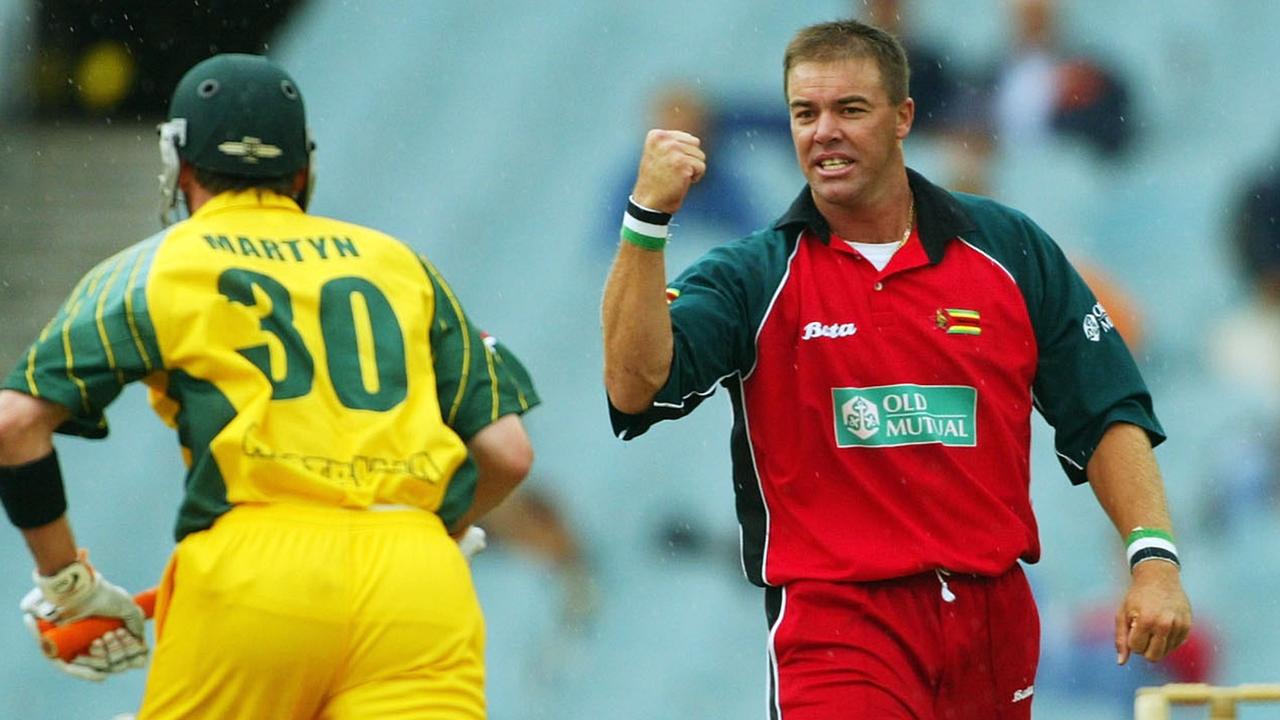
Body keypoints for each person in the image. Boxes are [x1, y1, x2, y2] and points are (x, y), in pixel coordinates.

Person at [600, 19, 1190, 720]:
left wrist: (1153, 562)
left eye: (849, 109)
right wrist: (646, 222)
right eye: (804, 113)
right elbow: (633, 385)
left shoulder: (1010, 249)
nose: (824, 132)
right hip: (839, 625)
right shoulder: (752, 275)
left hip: (992, 620)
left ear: (904, 116)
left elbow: (1106, 408)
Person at [0, 53, 538, 719]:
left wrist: (68, 584)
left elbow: (15, 423)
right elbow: (509, 453)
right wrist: (434, 530)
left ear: (178, 162)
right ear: (304, 167)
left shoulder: (155, 267)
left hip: (256, 575)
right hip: (419, 578)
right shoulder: (402, 265)